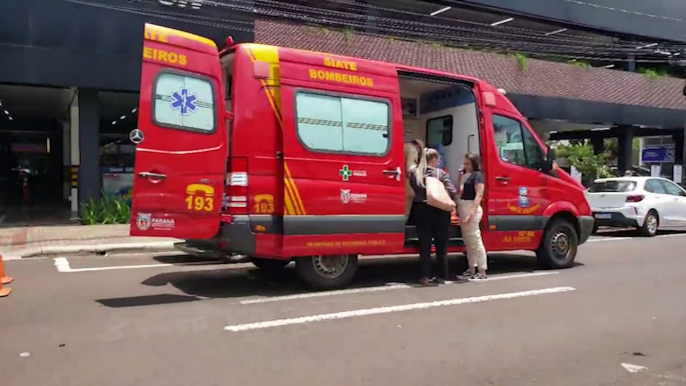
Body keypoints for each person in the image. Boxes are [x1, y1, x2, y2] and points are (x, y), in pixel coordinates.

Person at [410, 148, 457, 286]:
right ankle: (441, 276)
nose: (439, 161)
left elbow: (414, 187)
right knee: (441, 246)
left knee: (425, 246)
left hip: (421, 210)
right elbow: (452, 191)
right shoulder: (441, 174)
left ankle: (424, 276)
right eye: (438, 159)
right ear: (434, 159)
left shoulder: (416, 174)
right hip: (440, 211)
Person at [458, 152, 488, 282]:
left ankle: (482, 270)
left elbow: (479, 195)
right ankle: (471, 268)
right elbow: (460, 191)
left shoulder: (478, 176)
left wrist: (472, 212)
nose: (466, 166)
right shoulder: (467, 176)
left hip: (471, 208)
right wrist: (460, 177)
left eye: (468, 163)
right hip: (464, 206)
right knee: (468, 241)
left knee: (475, 240)